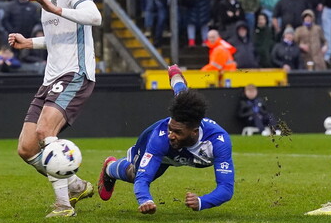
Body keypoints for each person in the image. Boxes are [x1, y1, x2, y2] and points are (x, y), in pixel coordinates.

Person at [7, 0, 101, 218]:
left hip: (75, 73)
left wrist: (57, 9)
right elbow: (57, 38)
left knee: (45, 132)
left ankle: (63, 206)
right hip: (51, 77)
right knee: (26, 148)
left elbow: (94, 17)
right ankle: (74, 185)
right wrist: (30, 43)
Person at [96, 71, 234, 214]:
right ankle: (109, 168)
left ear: (194, 131)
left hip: (180, 152)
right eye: (170, 129)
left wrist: (201, 202)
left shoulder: (218, 142)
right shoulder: (161, 137)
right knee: (134, 175)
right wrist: (145, 200)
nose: (171, 135)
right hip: (162, 151)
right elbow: (143, 179)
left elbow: (226, 188)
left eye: (178, 132)